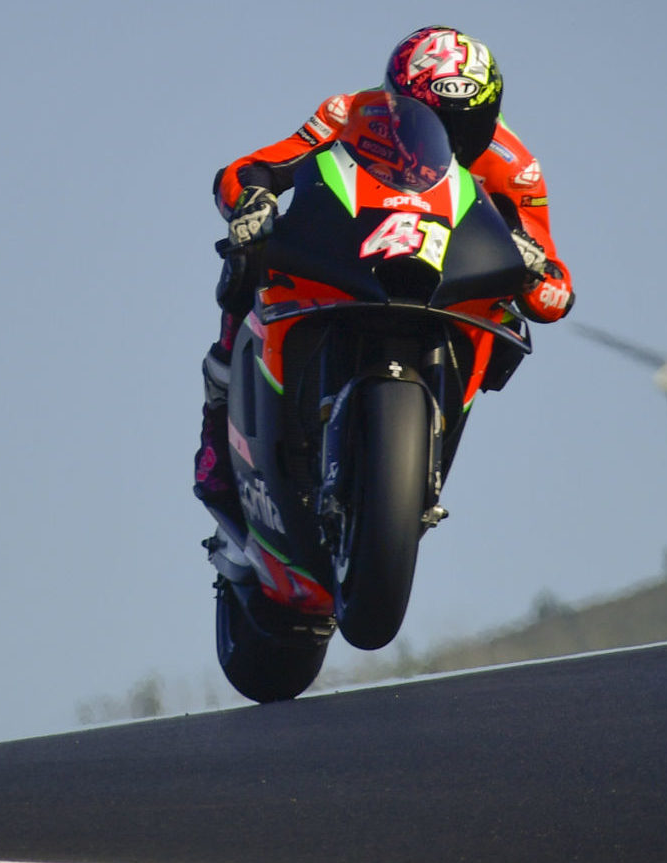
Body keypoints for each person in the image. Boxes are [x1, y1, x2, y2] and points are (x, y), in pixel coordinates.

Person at [195, 25, 574, 522]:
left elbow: (554, 291)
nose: (444, 139)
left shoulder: (514, 166)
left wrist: (530, 268)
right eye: (429, 120)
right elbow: (254, 167)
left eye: (465, 123)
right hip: (355, 255)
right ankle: (216, 430)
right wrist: (253, 199)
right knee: (249, 254)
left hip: (448, 285)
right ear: (396, 98)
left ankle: (420, 459)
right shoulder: (350, 113)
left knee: (507, 327)